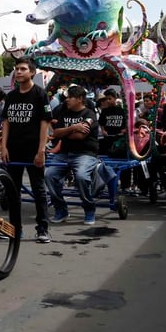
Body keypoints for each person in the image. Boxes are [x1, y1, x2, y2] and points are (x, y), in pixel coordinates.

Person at [0, 57, 53, 243]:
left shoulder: (40, 94)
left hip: (33, 150)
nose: (18, 72)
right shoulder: (11, 96)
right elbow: (5, 122)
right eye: (16, 69)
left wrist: (41, 151)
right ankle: (16, 229)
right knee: (13, 192)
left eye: (23, 69)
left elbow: (44, 123)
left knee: (38, 190)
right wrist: (4, 146)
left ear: (32, 72)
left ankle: (43, 229)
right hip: (13, 150)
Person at [45, 85, 100, 226]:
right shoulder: (65, 113)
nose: (67, 100)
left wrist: (67, 131)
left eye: (70, 97)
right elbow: (55, 133)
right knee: (49, 175)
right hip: (64, 153)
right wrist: (73, 127)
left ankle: (89, 209)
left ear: (80, 99)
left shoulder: (89, 115)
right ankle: (61, 210)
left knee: (81, 176)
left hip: (85, 154)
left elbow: (79, 136)